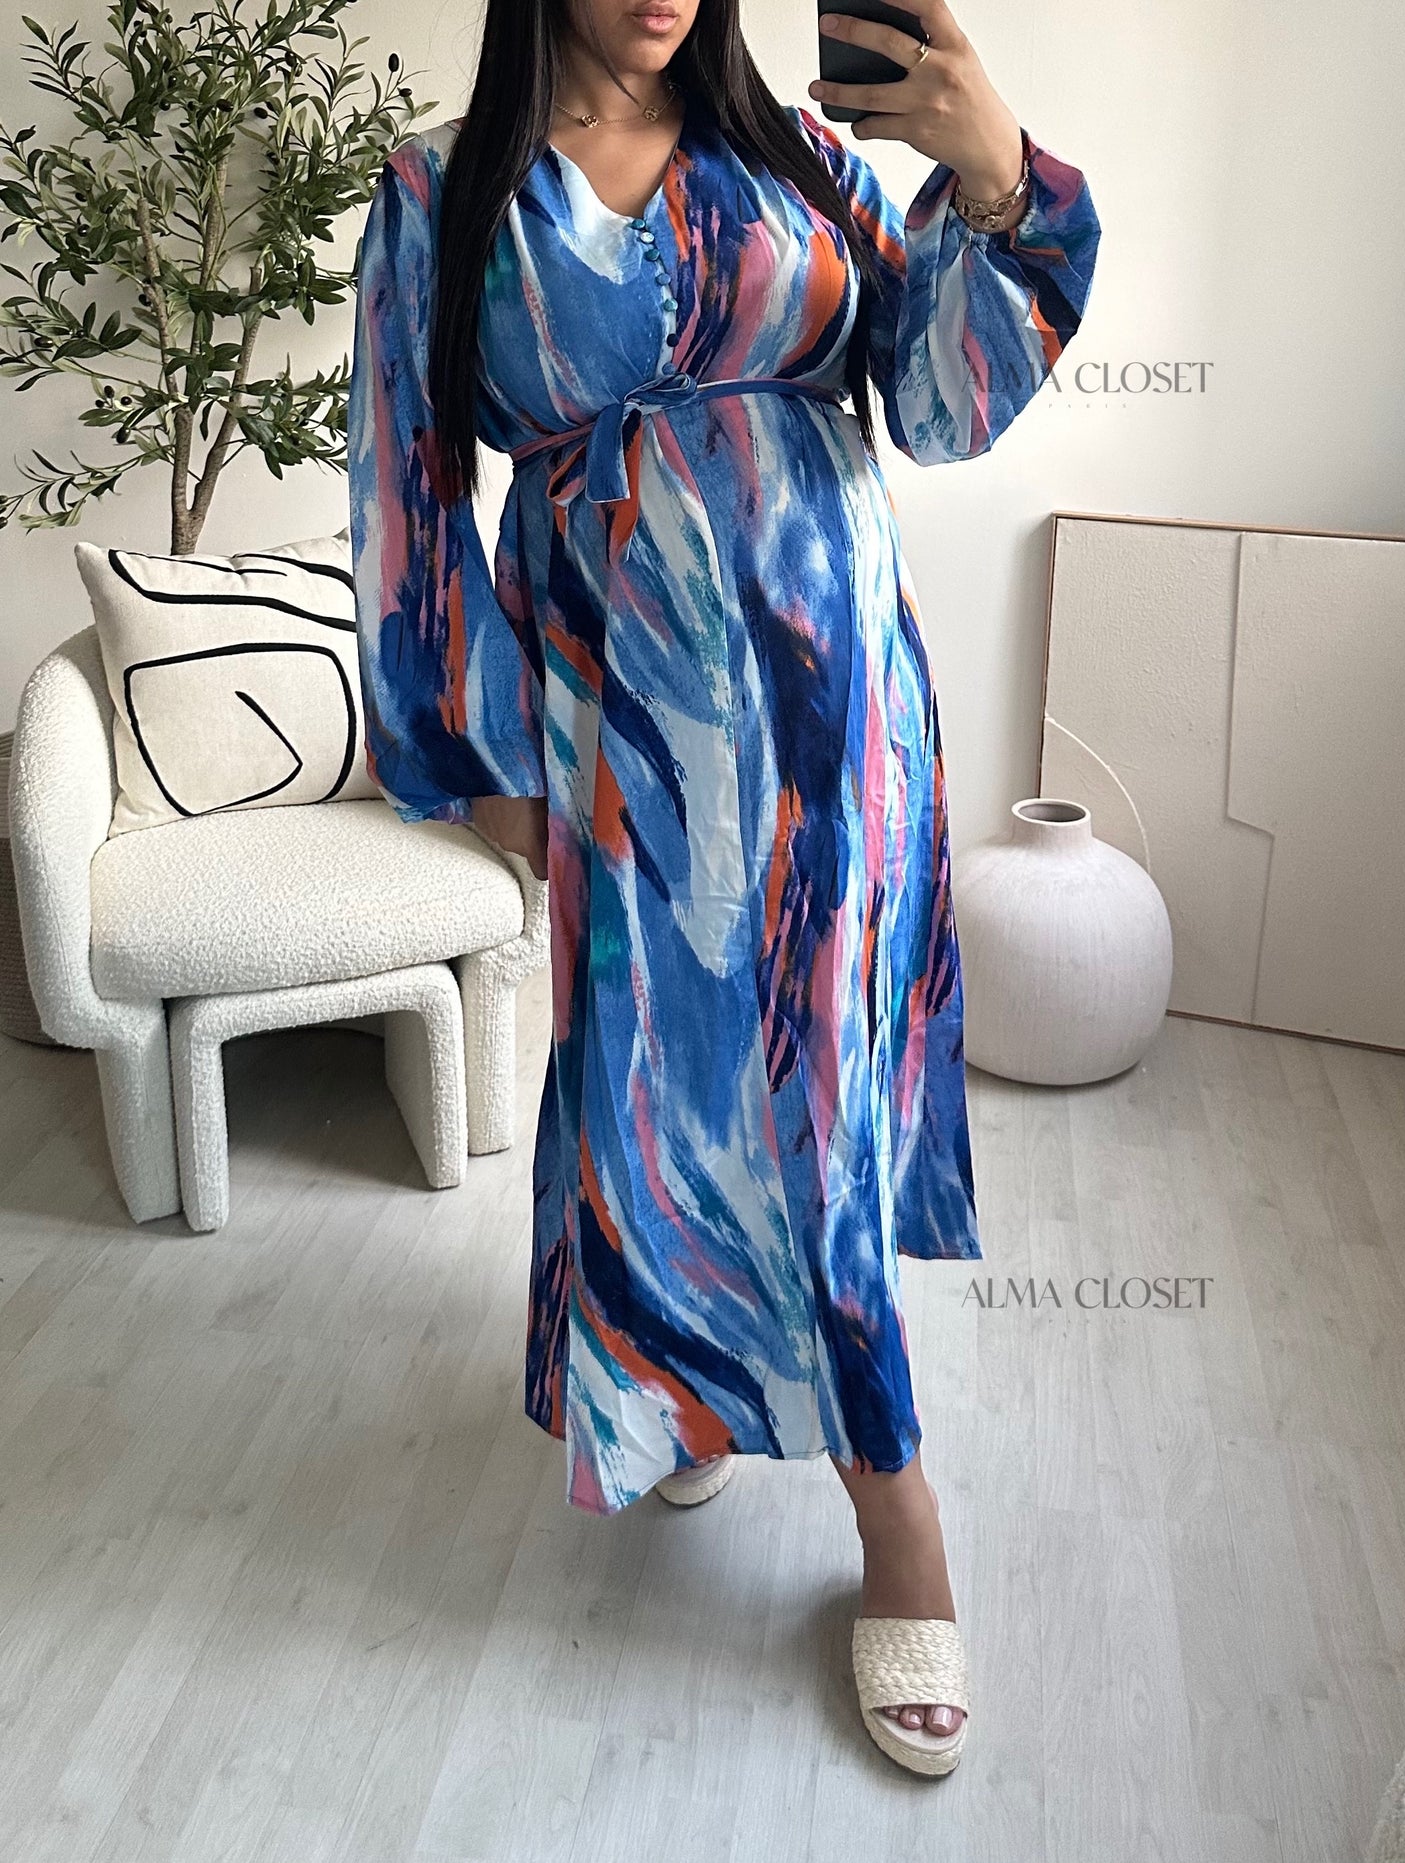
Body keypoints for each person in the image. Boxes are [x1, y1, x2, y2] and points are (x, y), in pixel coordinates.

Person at [347, 0, 1099, 1777]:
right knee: (660, 1096)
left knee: (810, 1103)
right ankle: (681, 1374)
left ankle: (895, 1510)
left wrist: (991, 175)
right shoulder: (443, 196)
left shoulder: (803, 159)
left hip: (835, 726)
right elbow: (405, 487)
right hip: (621, 739)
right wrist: (480, 755)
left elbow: (942, 405)